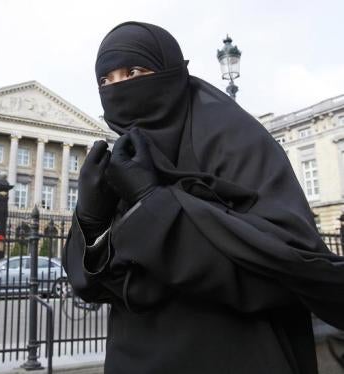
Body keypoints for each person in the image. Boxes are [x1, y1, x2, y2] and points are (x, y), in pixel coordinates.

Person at [62, 21, 344, 374]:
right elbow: (92, 287)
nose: (118, 89)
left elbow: (283, 270)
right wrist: (90, 222)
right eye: (107, 80)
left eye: (133, 71)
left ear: (169, 72)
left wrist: (152, 204)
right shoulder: (126, 159)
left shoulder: (236, 143)